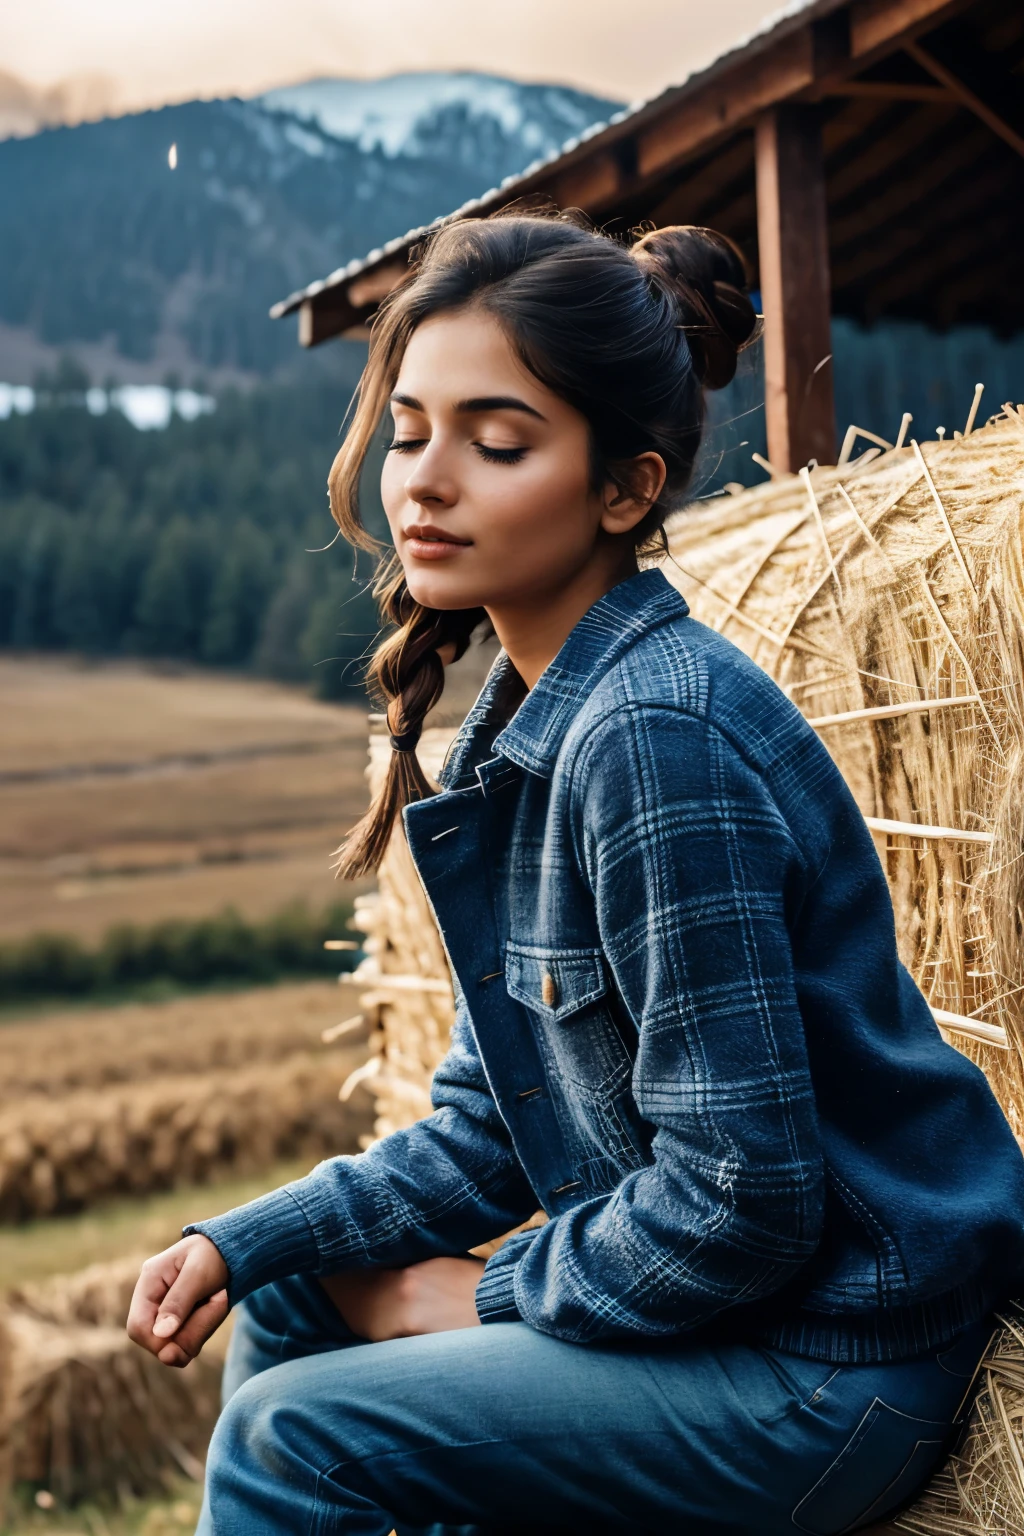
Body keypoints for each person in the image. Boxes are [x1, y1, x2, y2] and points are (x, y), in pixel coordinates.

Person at [127, 211, 1024, 1536]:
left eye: (496, 443)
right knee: (295, 1291)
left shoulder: (656, 740)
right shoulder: (531, 727)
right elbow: (497, 1122)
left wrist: (485, 1295)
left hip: (831, 1366)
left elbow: (744, 1198)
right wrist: (246, 1236)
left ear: (623, 488)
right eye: (410, 429)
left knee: (293, 1437)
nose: (426, 480)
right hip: (745, 1317)